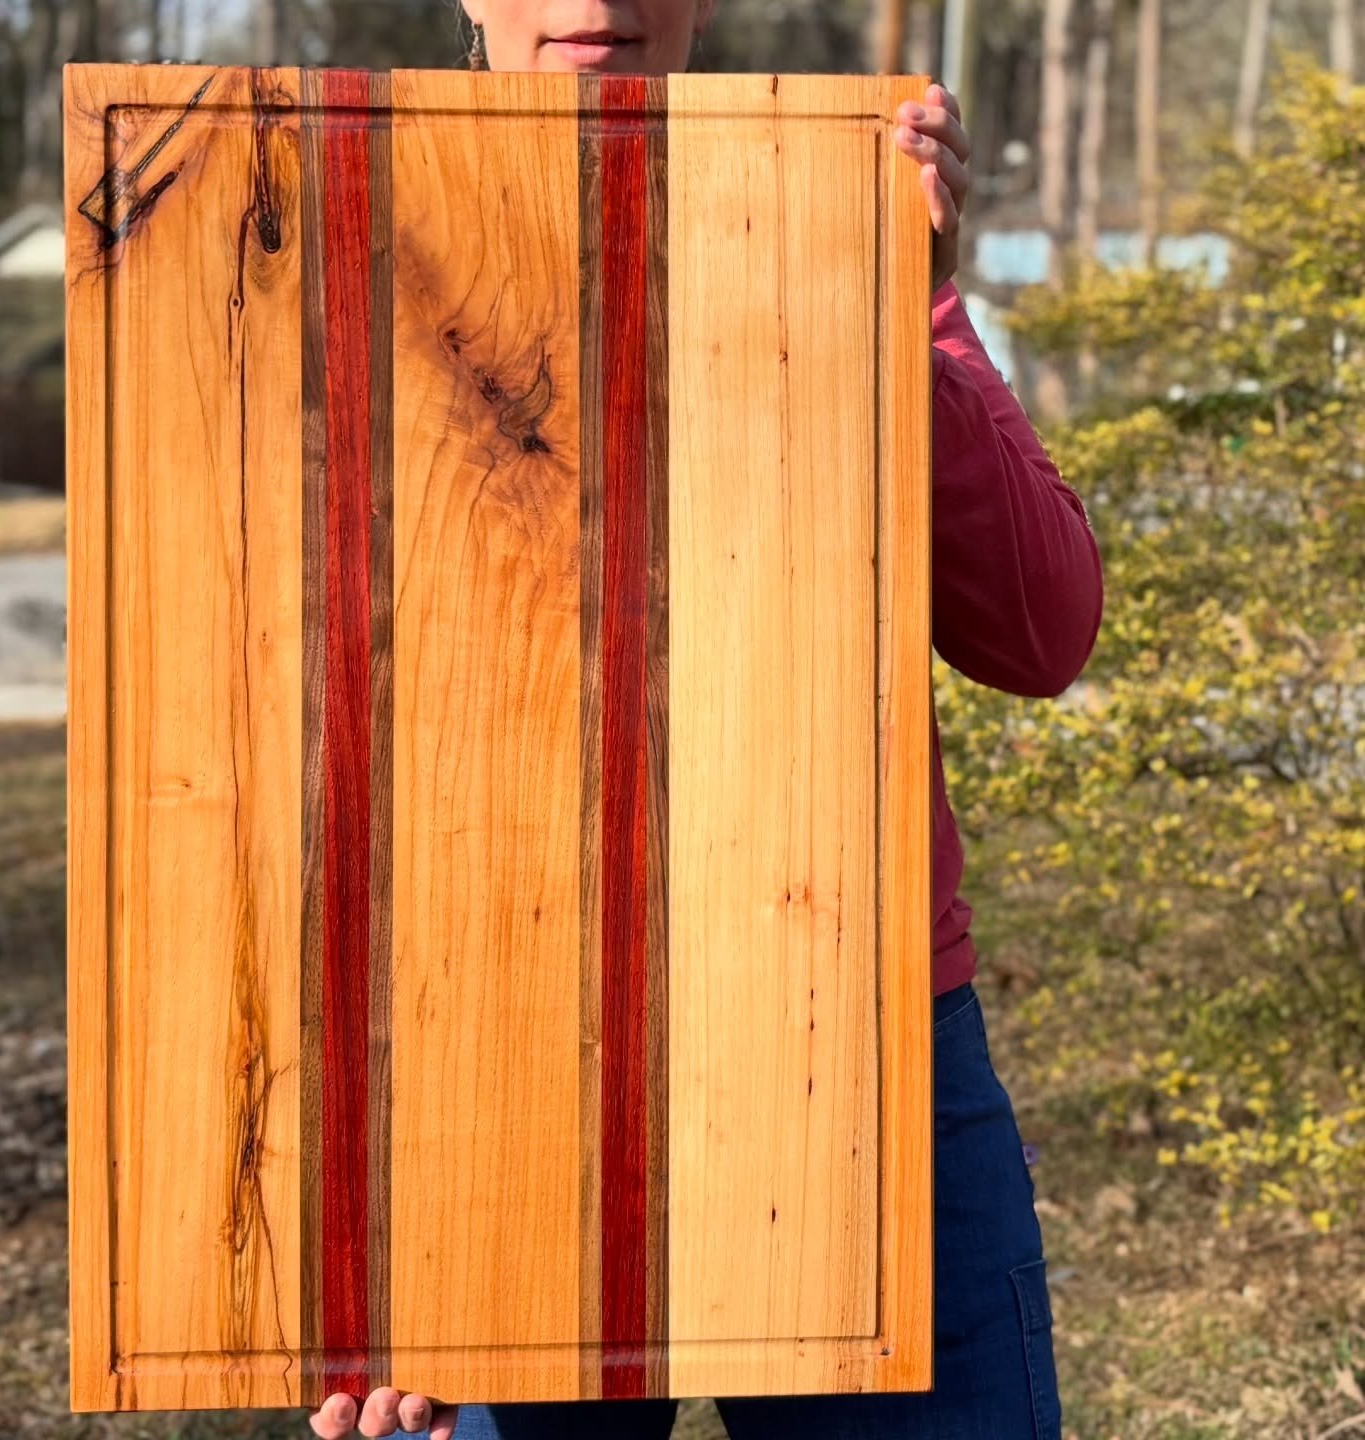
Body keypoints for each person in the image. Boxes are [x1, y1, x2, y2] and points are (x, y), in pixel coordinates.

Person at [309, 2, 1104, 1437]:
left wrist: (904, 296)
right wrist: (362, 1229)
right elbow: (230, 761)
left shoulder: (827, 198)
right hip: (466, 1068)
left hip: (854, 1052)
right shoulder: (313, 220)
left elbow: (1041, 632)